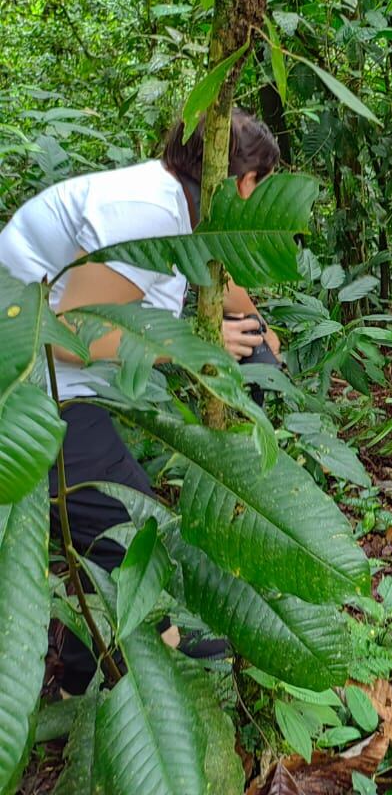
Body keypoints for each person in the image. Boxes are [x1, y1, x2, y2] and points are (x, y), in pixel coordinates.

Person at [0, 108, 282, 692]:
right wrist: (196, 344)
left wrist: (256, 328)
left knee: (109, 525)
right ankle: (131, 670)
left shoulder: (180, 207)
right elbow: (76, 333)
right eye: (261, 188)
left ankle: (89, 666)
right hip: (27, 387)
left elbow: (220, 279)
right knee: (126, 521)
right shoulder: (146, 216)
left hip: (55, 382)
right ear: (237, 181)